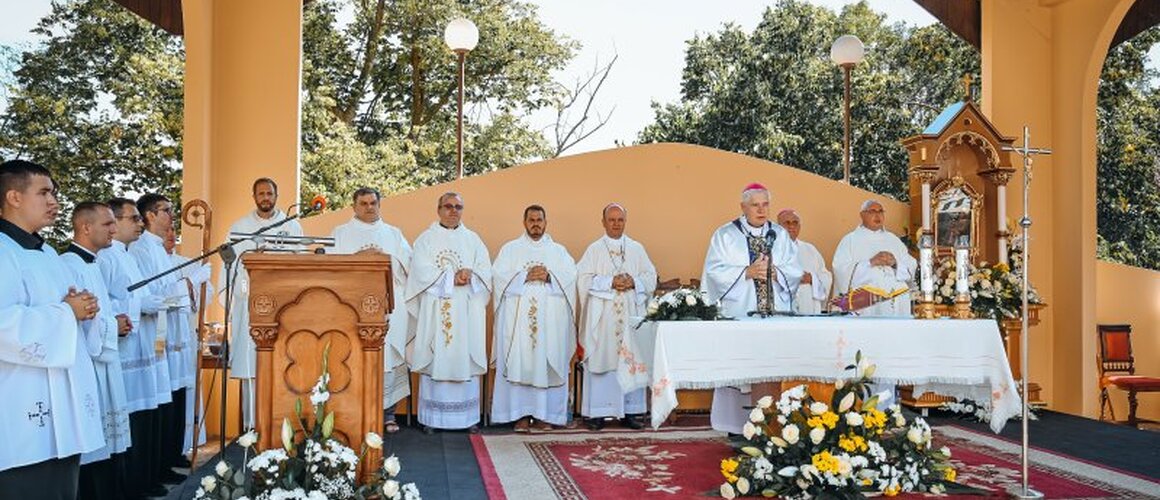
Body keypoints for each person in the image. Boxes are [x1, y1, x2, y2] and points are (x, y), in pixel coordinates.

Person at [0, 159, 103, 500]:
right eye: (44, 192)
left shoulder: (45, 253)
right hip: (22, 406)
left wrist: (81, 309)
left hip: (63, 408)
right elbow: (3, 324)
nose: (54, 201)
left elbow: (63, 311)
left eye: (54, 193)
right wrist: (65, 313)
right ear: (13, 197)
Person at [701, 183, 802, 434]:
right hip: (740, 315)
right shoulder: (725, 235)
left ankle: (773, 428)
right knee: (740, 369)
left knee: (772, 369)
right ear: (743, 207)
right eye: (755, 205)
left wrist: (776, 273)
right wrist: (746, 272)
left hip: (775, 316)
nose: (761, 209)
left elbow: (795, 270)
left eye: (765, 204)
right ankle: (737, 429)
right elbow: (714, 272)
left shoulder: (780, 235)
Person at [98, 197, 169, 498]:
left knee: (145, 415)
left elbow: (140, 293)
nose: (140, 223)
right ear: (114, 222)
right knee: (131, 418)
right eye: (134, 218)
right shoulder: (105, 257)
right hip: (124, 348)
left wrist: (151, 301)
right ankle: (132, 484)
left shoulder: (126, 254)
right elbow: (104, 301)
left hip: (141, 344)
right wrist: (143, 304)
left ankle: (146, 478)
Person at [219, 177, 303, 429]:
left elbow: (300, 264)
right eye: (261, 194)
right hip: (252, 304)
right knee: (253, 365)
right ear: (253, 196)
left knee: (284, 364)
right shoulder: (240, 227)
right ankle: (252, 427)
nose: (265, 198)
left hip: (284, 306)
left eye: (270, 193)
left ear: (277, 196)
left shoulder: (291, 226)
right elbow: (229, 266)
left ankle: (283, 426)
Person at [61, 202, 132, 500]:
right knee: (93, 452)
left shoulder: (93, 262)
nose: (114, 230)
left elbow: (100, 305)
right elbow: (77, 314)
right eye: (107, 224)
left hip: (105, 362)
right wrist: (109, 326)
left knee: (109, 448)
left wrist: (115, 318)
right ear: (85, 227)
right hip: (89, 365)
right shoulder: (68, 264)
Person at [405, 192, 491, 434]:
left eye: (459, 207)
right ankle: (433, 419)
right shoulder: (426, 239)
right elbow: (419, 272)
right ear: (439, 209)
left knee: (463, 353)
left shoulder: (473, 240)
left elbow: (487, 271)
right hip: (436, 309)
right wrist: (450, 278)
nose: (454, 211)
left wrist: (471, 275)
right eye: (449, 206)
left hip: (465, 310)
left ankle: (468, 418)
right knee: (438, 354)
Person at [329, 187, 412, 434]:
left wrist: (386, 258)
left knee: (389, 356)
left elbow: (409, 266)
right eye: (363, 203)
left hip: (389, 306)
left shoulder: (394, 234)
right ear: (354, 207)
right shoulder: (340, 233)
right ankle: (353, 412)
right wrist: (358, 257)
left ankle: (388, 415)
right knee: (352, 357)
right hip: (351, 308)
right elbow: (329, 267)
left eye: (373, 203)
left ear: (379, 204)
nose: (369, 207)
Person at [490, 205, 576, 431]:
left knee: (545, 362)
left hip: (550, 323)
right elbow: (497, 277)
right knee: (521, 362)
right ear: (524, 222)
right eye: (531, 220)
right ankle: (520, 416)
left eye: (539, 220)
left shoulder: (558, 251)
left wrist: (550, 276)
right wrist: (523, 276)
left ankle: (544, 415)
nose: (535, 223)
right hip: (517, 326)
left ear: (546, 222)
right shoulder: (510, 249)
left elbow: (571, 277)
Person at [576, 203, 657, 431]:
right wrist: (610, 282)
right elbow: (582, 278)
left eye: (620, 220)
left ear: (625, 221)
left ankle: (632, 412)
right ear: (603, 222)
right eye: (611, 220)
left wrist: (634, 282)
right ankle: (598, 413)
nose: (616, 224)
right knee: (603, 360)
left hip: (630, 315)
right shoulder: (594, 250)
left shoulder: (636, 249)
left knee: (630, 358)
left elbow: (651, 277)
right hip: (603, 318)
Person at [163, 226, 211, 455]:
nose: (171, 235)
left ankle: (186, 445)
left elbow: (207, 295)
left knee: (188, 389)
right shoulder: (150, 262)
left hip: (185, 332)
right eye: (166, 231)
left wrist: (193, 286)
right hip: (163, 335)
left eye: (173, 231)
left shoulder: (187, 261)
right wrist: (188, 284)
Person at [832, 200, 917, 316]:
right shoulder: (850, 240)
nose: (878, 215)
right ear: (862, 215)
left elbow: (911, 264)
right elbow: (841, 269)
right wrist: (871, 262)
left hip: (896, 297)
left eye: (881, 211)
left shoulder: (893, 239)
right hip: (866, 300)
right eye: (872, 211)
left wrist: (895, 263)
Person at [776, 209, 833, 314]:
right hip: (782, 307)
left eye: (795, 223)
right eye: (786, 223)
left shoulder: (810, 249)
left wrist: (812, 279)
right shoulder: (771, 249)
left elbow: (826, 277)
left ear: (799, 227)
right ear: (778, 227)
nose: (791, 226)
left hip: (808, 306)